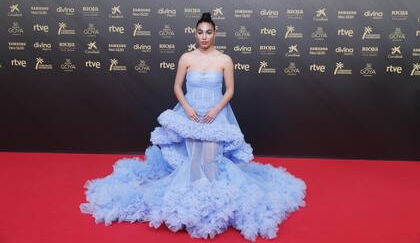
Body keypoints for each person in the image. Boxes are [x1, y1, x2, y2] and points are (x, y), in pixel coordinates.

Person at [80, 12, 306, 241]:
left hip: (215, 117)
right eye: (200, 32)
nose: (204, 36)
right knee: (194, 162)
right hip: (190, 116)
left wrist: (216, 110)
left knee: (210, 164)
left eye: (208, 32)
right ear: (195, 34)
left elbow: (230, 90)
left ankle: (210, 208)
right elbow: (177, 87)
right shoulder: (186, 58)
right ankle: (190, 208)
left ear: (215, 33)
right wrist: (187, 109)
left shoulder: (225, 60)